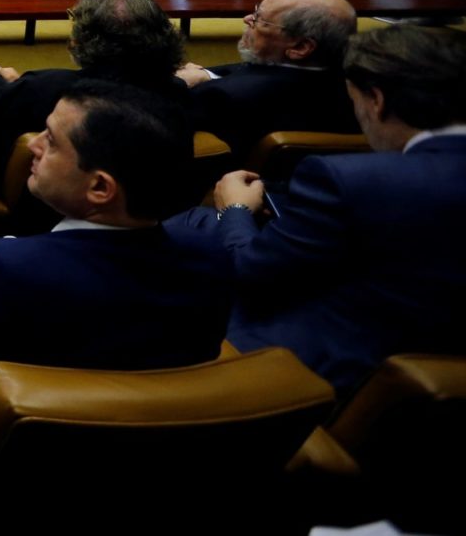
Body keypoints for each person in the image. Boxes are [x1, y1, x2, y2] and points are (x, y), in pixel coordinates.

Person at [0, 82, 230, 422]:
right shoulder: (209, 258)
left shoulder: (0, 270)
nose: (33, 146)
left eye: (52, 141)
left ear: (99, 187)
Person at [188, 26, 465, 393]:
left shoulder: (347, 179)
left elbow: (252, 274)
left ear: (377, 101)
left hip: (339, 373)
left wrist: (235, 208)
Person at [0, 0, 188, 177]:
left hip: (18, 184)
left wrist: (18, 88)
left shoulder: (53, 90)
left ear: (83, 41)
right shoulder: (177, 91)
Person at [176, 0, 358, 162]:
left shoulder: (224, 97)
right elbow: (259, 72)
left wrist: (178, 82)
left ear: (300, 47)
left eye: (259, 19)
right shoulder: (366, 87)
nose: (247, 19)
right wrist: (208, 74)